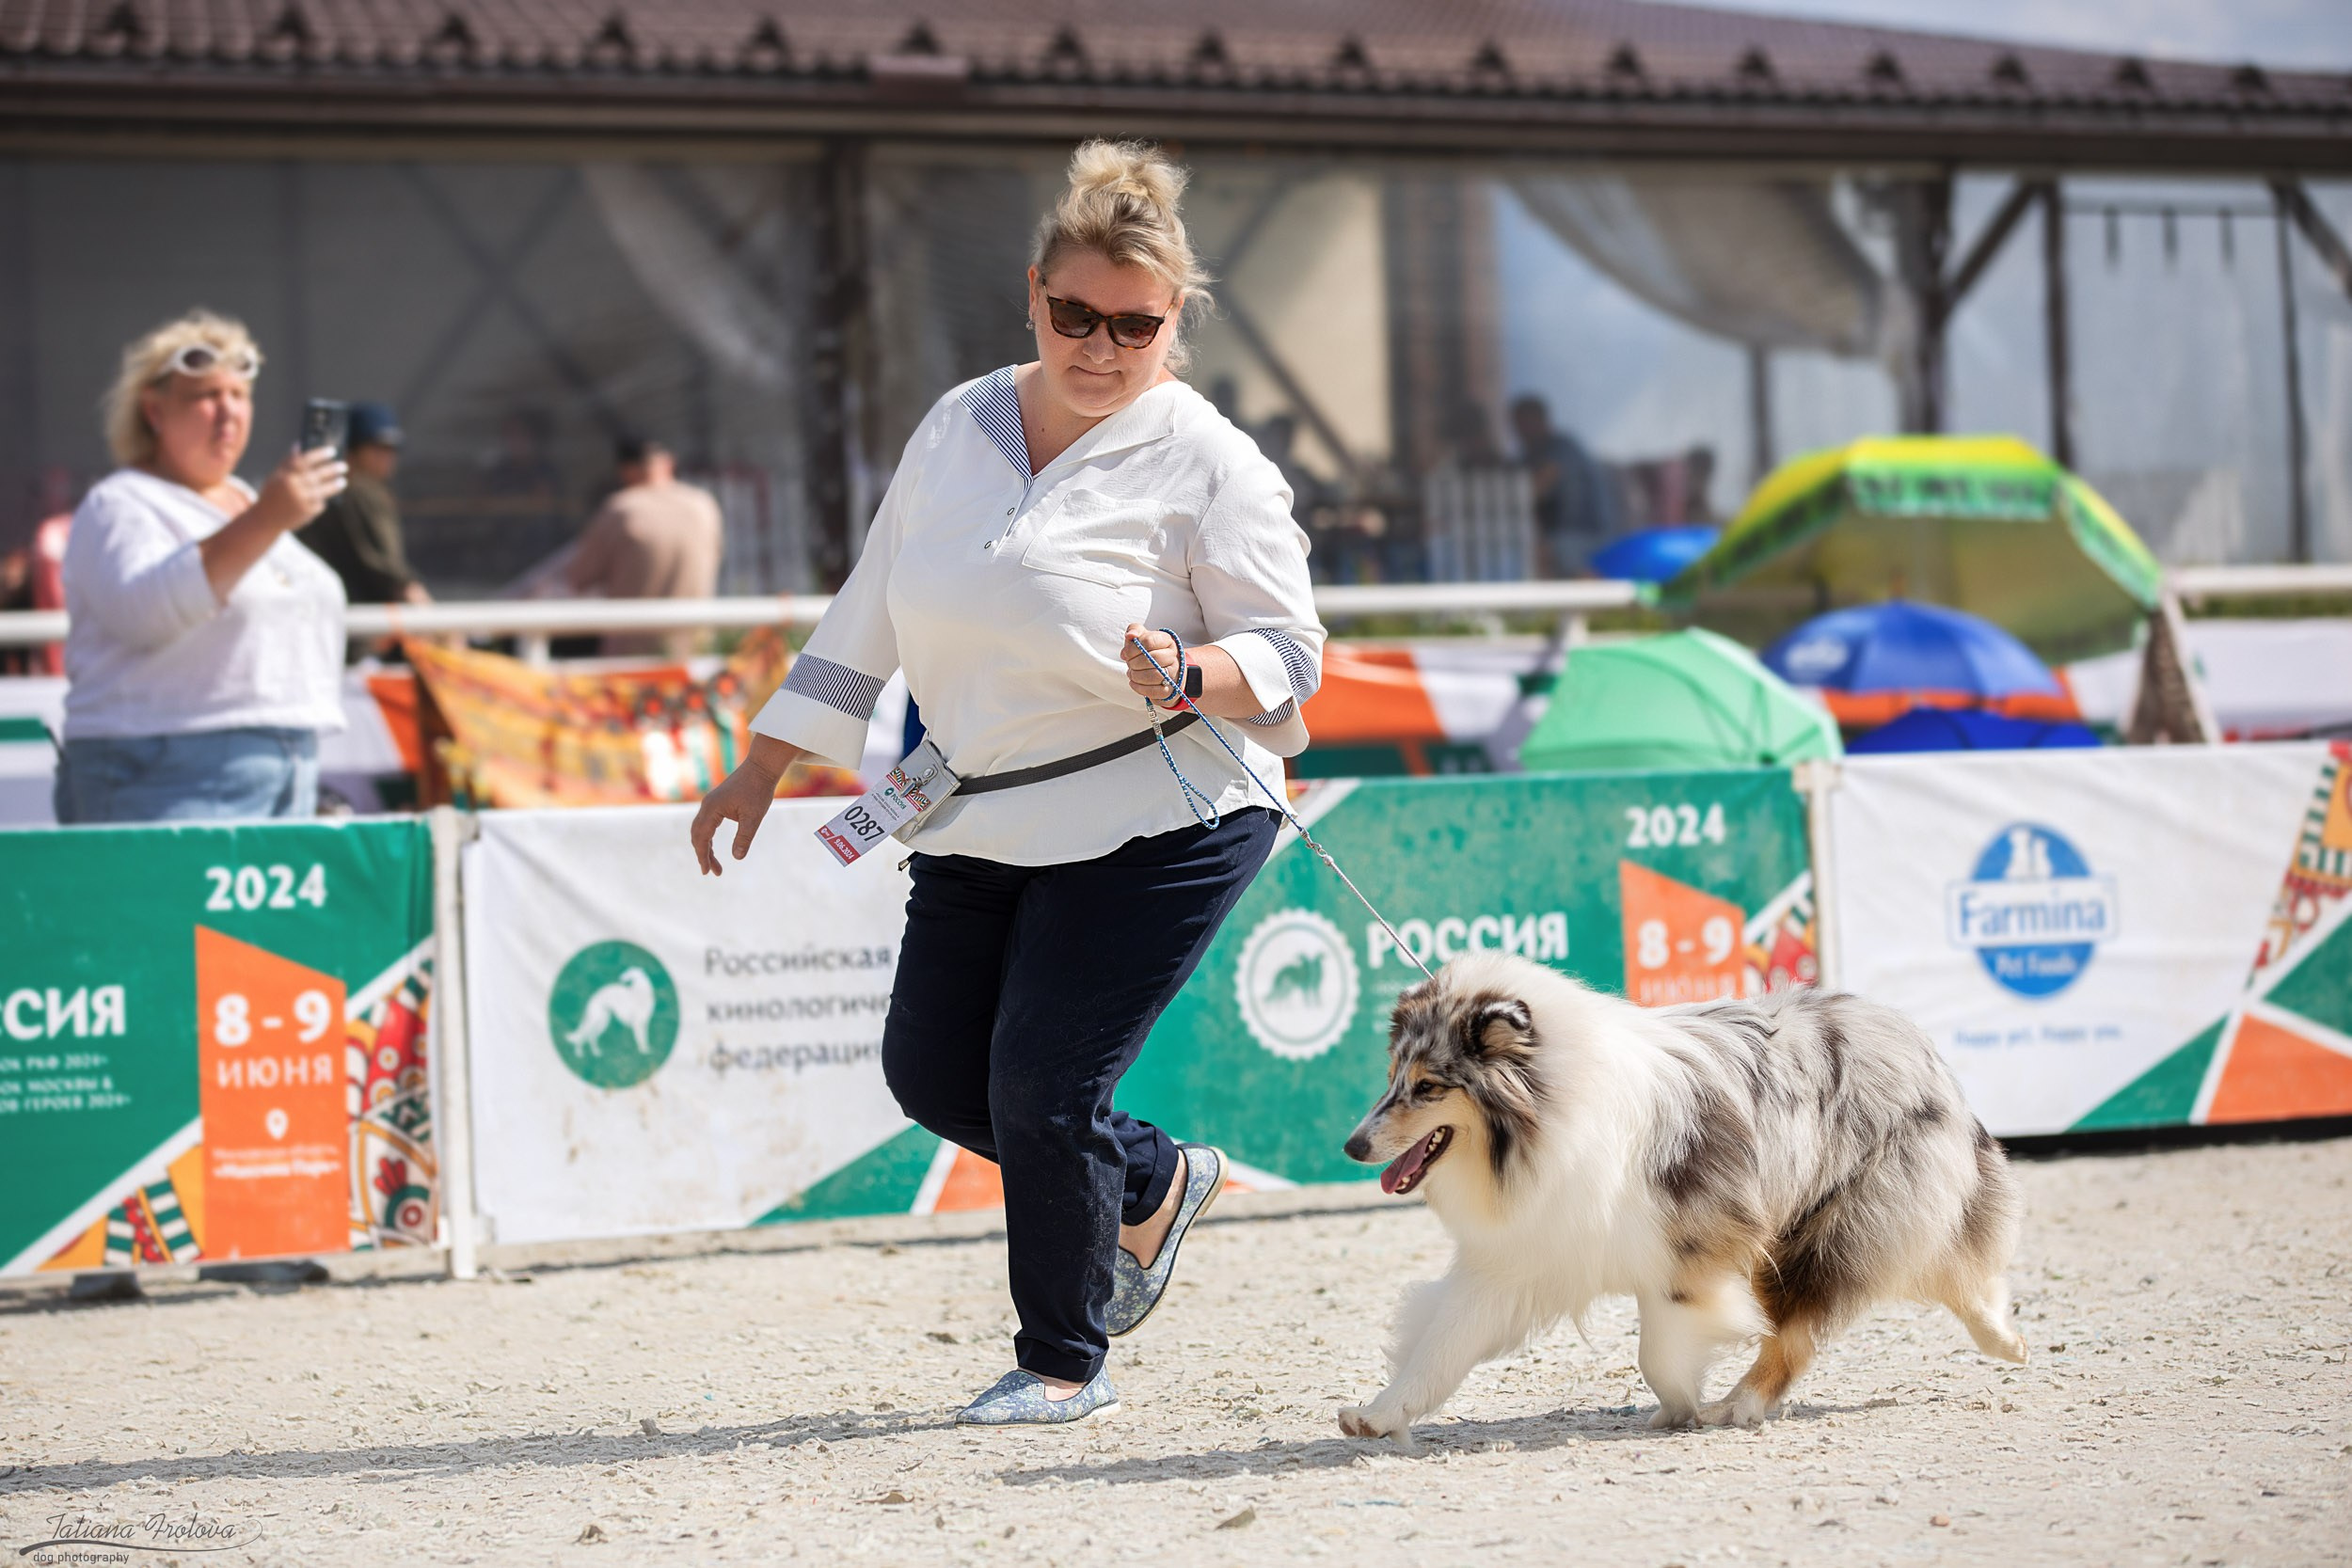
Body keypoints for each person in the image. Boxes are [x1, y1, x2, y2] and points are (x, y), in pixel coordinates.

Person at [690, 140, 1324, 1426]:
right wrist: (764, 758)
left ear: (1174, 323)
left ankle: (1060, 1361)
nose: (1100, 344)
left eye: (1133, 325)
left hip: (1165, 808)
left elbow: (1293, 652)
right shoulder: (960, 420)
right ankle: (1150, 1183)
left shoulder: (1214, 460)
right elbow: (875, 594)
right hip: (974, 801)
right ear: (1033, 292)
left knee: (1044, 1086)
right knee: (934, 1077)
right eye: (1073, 313)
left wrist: (1193, 664)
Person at [56, 309, 348, 824]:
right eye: (206, 397)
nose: (228, 412)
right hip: (166, 769)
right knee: (172, 909)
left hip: (283, 764)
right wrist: (266, 519)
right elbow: (143, 611)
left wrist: (264, 515)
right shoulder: (120, 504)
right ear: (154, 411)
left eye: (239, 395)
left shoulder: (245, 499)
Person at [564, 436, 723, 659]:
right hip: (696, 657)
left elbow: (577, 578)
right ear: (669, 463)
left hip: (632, 661)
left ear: (626, 471)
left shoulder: (620, 509)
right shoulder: (704, 505)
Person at [298, 401, 429, 609]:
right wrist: (436, 624)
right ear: (351, 450)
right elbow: (389, 572)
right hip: (361, 625)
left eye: (392, 449)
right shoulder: (359, 491)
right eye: (378, 448)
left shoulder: (330, 488)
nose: (388, 457)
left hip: (335, 614)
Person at [1509, 393, 1619, 577]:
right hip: (1563, 540)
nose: (1518, 431)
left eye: (1522, 424)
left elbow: (1534, 489)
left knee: (1535, 553)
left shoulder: (1564, 448)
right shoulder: (1528, 458)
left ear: (1539, 420)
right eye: (1515, 425)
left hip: (1591, 540)